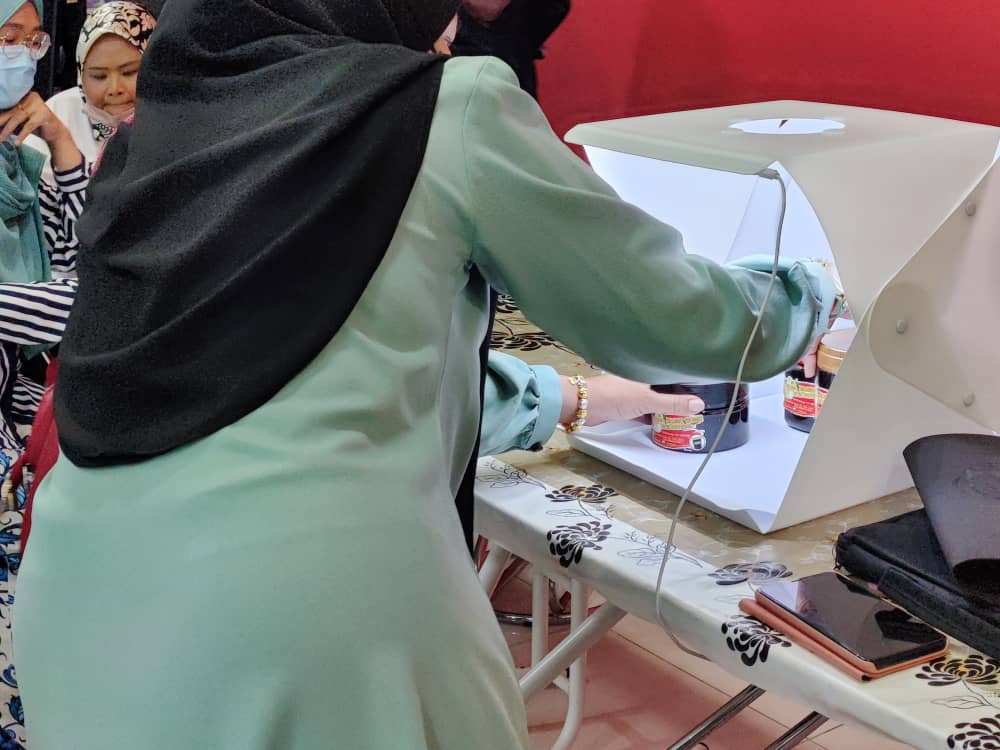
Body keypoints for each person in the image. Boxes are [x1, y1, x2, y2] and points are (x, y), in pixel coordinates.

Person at [15, 2, 839, 749]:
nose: (451, 28)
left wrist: (570, 398)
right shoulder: (443, 106)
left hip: (80, 599)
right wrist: (820, 286)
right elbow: (679, 318)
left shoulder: (172, 120)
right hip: (306, 620)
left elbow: (333, 362)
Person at [25, 1, 157, 186]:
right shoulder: (58, 115)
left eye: (129, 72)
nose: (115, 89)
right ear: (81, 77)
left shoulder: (179, 122)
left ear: (155, 68)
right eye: (99, 76)